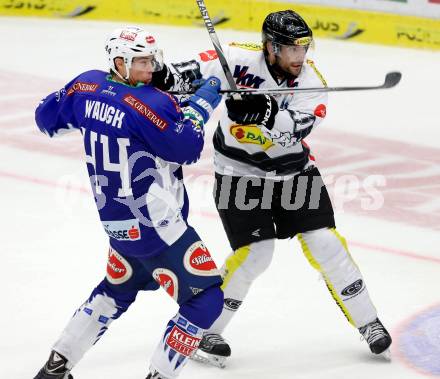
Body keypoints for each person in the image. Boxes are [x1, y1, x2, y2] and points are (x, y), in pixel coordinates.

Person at [152, 10, 392, 367]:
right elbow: (186, 74)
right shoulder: (234, 58)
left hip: (293, 173)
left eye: (305, 48)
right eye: (292, 50)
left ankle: (369, 322)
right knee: (256, 254)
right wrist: (160, 75)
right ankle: (205, 331)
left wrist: (265, 110)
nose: (300, 57)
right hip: (237, 173)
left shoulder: (312, 81)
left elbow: (296, 129)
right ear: (270, 47)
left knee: (326, 243)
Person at [33, 26, 225, 379]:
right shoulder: (151, 103)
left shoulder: (86, 85)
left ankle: (55, 367)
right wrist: (199, 105)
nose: (150, 68)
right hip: (158, 228)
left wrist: (159, 111)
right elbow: (186, 148)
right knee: (207, 301)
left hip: (119, 226)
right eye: (141, 61)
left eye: (151, 59)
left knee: (113, 293)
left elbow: (45, 119)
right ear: (119, 61)